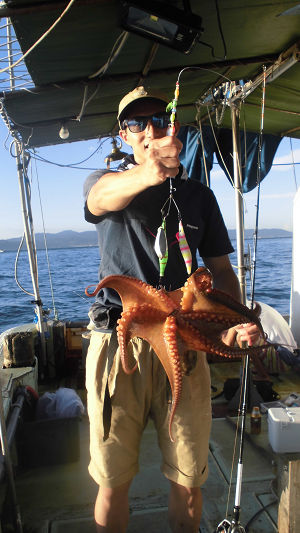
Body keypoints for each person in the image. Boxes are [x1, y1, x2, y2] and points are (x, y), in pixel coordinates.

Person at [83, 86, 261, 533]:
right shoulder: (107, 184)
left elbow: (219, 270)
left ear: (172, 126)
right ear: (123, 135)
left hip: (184, 340)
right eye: (135, 124)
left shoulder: (200, 197)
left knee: (188, 478)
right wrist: (149, 173)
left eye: (157, 121)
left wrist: (237, 324)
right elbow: (99, 200)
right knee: (111, 481)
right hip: (117, 347)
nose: (147, 130)